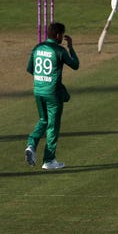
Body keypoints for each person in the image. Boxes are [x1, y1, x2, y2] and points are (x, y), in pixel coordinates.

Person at [24, 22, 79, 170]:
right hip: (53, 93)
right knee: (53, 126)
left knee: (43, 120)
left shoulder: (37, 48)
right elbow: (75, 65)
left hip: (38, 90)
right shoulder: (59, 50)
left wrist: (43, 77)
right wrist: (71, 47)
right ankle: (49, 160)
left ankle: (31, 144)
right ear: (58, 35)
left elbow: (30, 69)